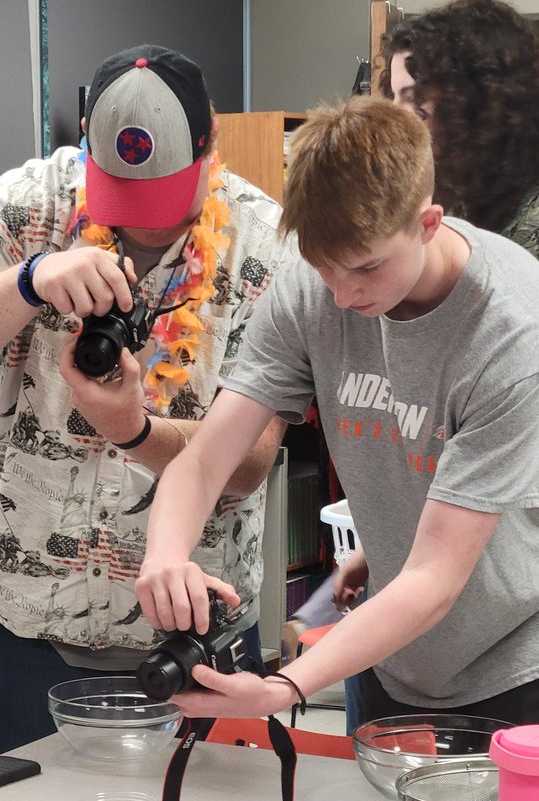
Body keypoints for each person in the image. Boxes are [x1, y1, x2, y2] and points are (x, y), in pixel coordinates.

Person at [0, 45, 294, 759]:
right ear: (84, 137)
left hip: (194, 645)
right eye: (125, 196)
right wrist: (29, 280)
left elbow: (249, 464)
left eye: (166, 198)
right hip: (28, 641)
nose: (149, 226)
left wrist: (134, 430)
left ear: (211, 144)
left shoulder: (265, 246)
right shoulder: (27, 207)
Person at [122, 95, 539, 726]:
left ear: (427, 223)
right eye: (325, 270)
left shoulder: (510, 332)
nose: (344, 296)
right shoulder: (311, 291)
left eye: (367, 267)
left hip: (514, 665)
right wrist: (165, 557)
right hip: (384, 653)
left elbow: (433, 578)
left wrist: (285, 686)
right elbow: (206, 460)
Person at [382, 0, 539, 258]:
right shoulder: (455, 191)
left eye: (416, 102)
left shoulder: (528, 226)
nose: (396, 121)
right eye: (394, 97)